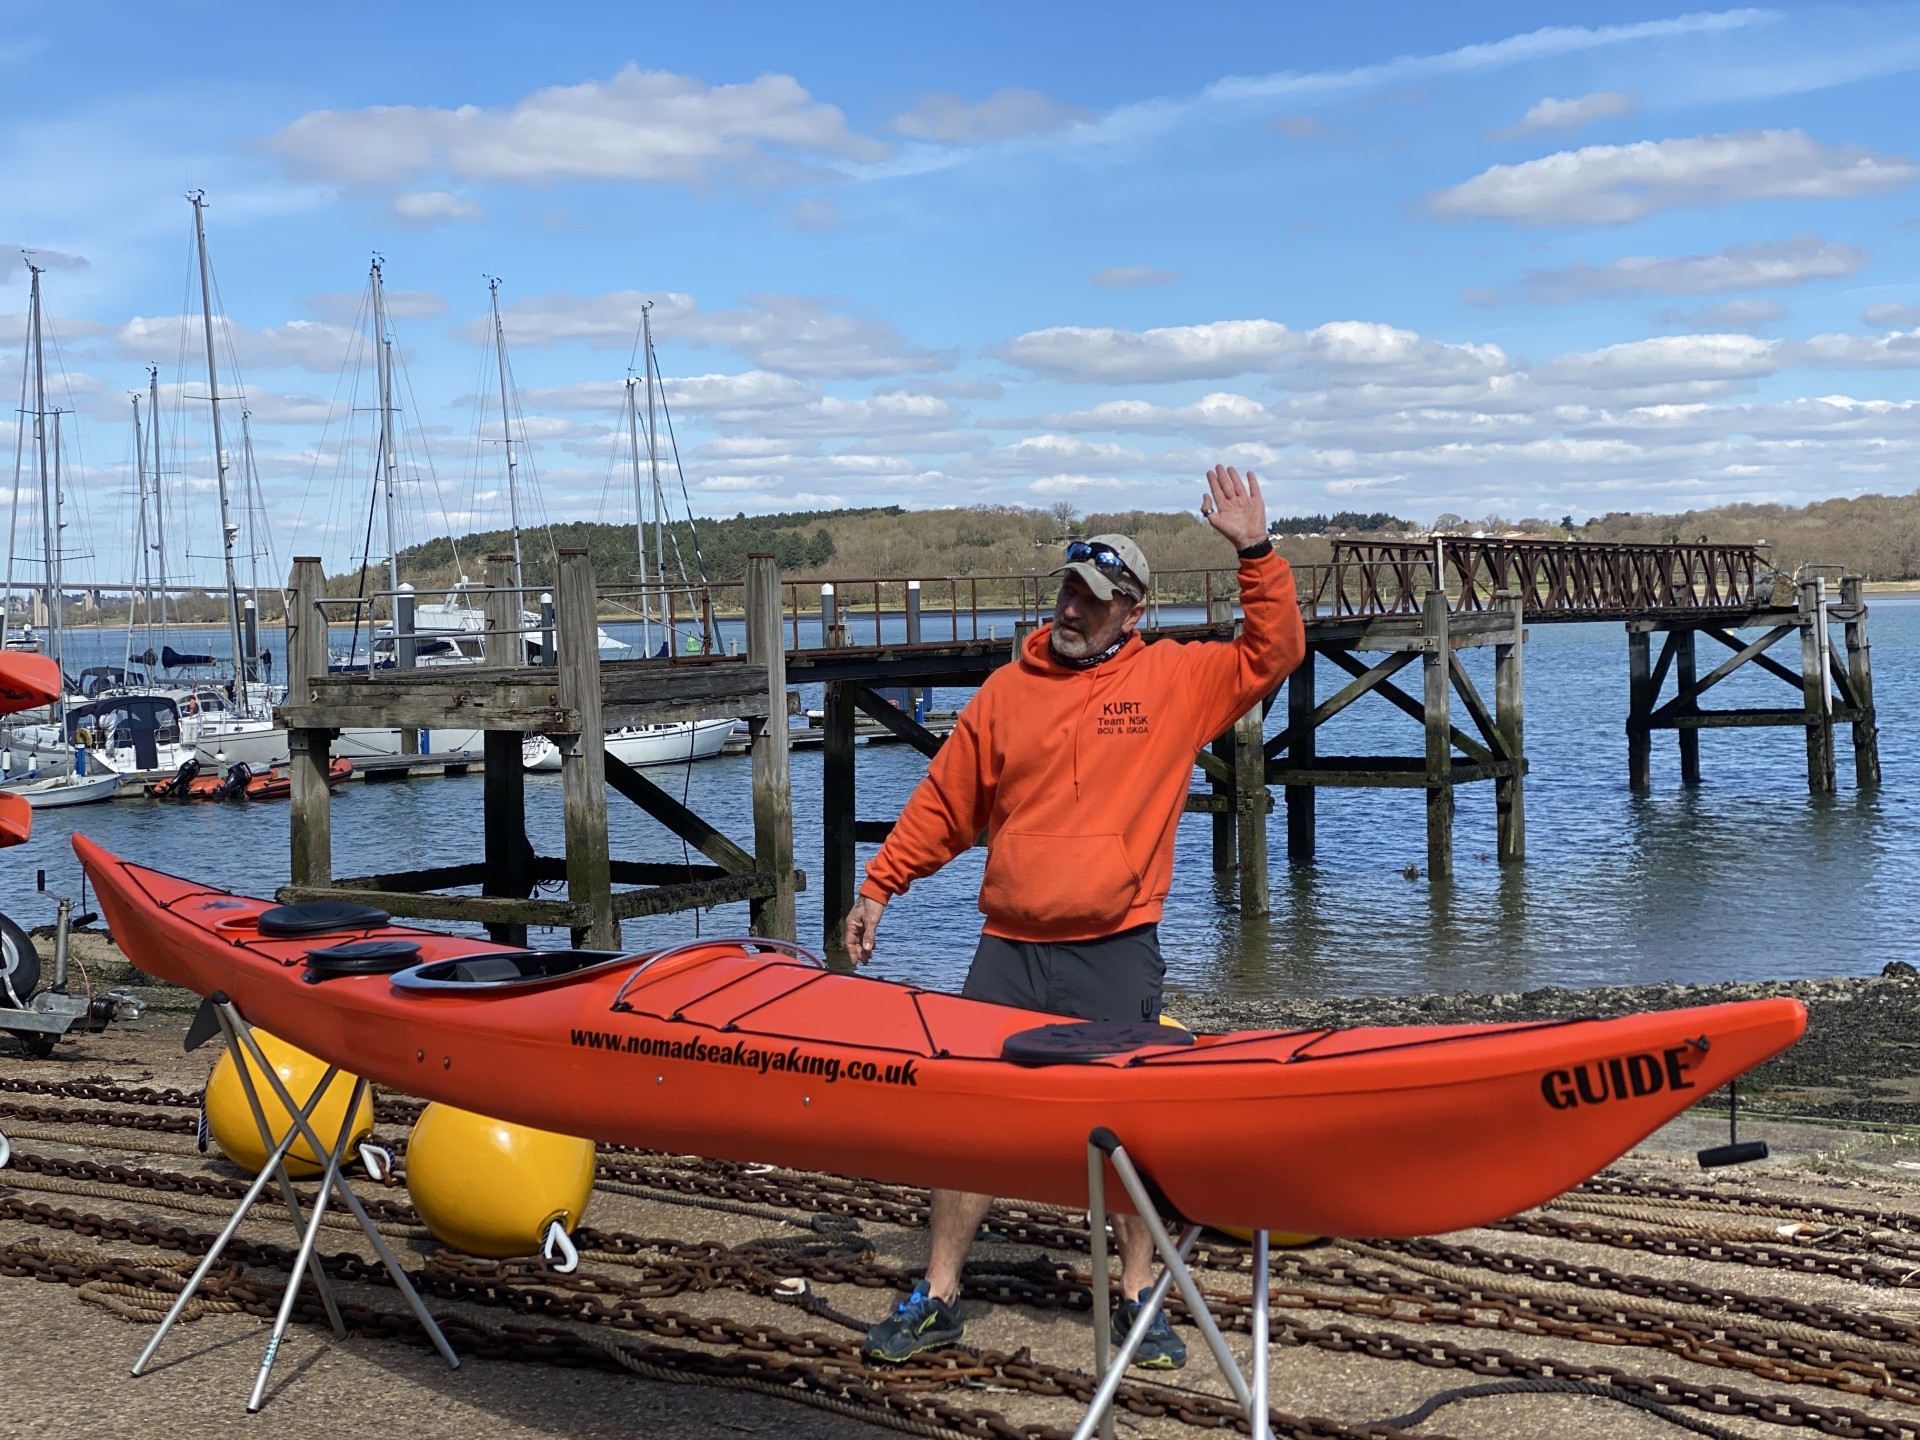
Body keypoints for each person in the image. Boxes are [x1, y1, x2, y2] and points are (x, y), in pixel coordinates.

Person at [847, 465, 1305, 1367]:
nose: (1073, 607)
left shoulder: (1177, 682)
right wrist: (879, 887)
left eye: (1094, 598)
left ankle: (1138, 1298)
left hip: (1115, 947)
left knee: (1130, 1127)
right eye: (1067, 589)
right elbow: (945, 802)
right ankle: (938, 1293)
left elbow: (1273, 652)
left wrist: (1255, 551)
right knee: (967, 1124)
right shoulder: (1005, 693)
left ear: (1132, 612)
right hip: (1009, 949)